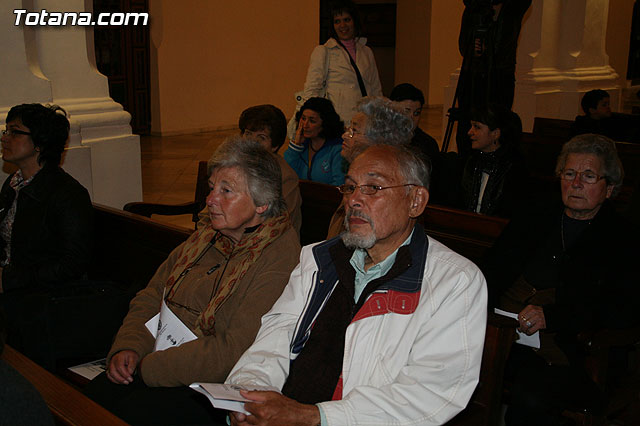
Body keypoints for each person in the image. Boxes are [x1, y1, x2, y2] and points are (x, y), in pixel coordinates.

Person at [225, 144, 487, 426]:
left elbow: (430, 394)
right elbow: (272, 341)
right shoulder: (318, 259)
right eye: (350, 188)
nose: (354, 200)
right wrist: (249, 396)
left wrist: (315, 417)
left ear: (416, 201)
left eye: (373, 187)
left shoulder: (454, 281)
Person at [85, 137, 301, 426]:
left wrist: (149, 366)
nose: (210, 200)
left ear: (262, 203)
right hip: (157, 360)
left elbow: (233, 348)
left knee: (130, 414)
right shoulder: (206, 236)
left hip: (210, 387)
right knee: (91, 400)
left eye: (226, 191)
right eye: (212, 188)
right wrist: (130, 347)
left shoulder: (279, 256)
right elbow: (153, 295)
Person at [483, 134, 639, 425]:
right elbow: (492, 270)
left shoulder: (624, 239)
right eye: (569, 173)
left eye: (589, 176)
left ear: (609, 189)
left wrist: (553, 316)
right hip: (499, 334)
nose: (576, 183)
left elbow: (621, 310)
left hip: (566, 350)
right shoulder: (534, 217)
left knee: (530, 399)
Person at [0, 103, 93, 369]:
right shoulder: (14, 183)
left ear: (39, 144)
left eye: (15, 132)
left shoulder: (67, 194)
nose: (5, 137)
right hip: (17, 288)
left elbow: (73, 264)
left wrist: (8, 279)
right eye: (6, 130)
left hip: (43, 298)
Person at [328, 96, 415, 237]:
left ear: (378, 141)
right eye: (348, 128)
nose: (345, 135)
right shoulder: (355, 181)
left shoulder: (387, 189)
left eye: (354, 131)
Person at [455, 0, 532, 158]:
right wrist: (475, 49)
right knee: (468, 127)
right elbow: (463, 45)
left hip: (500, 78)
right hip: (474, 79)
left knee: (498, 122)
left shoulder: (513, 10)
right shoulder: (474, 9)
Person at [295, 0, 382, 132]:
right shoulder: (324, 51)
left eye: (347, 19)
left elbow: (376, 90)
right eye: (337, 21)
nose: (343, 25)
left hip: (365, 122)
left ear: (354, 21)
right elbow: (312, 90)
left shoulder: (367, 52)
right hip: (337, 123)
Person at [238, 104, 302, 234]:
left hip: (270, 244)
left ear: (275, 145)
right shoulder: (234, 167)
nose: (252, 142)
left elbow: (276, 225)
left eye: (261, 137)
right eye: (248, 134)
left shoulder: (285, 178)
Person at [457, 104, 526, 216]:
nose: (470, 132)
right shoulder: (469, 161)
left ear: (495, 134)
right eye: (471, 126)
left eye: (477, 127)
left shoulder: (513, 167)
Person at [389, 83, 445, 202]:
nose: (411, 118)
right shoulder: (380, 139)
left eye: (416, 113)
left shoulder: (427, 144)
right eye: (406, 111)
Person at [284, 97, 345, 185]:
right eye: (303, 119)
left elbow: (339, 185)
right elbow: (287, 176)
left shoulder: (337, 149)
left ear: (325, 123)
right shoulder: (301, 147)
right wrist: (296, 145)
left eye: (312, 121)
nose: (305, 125)